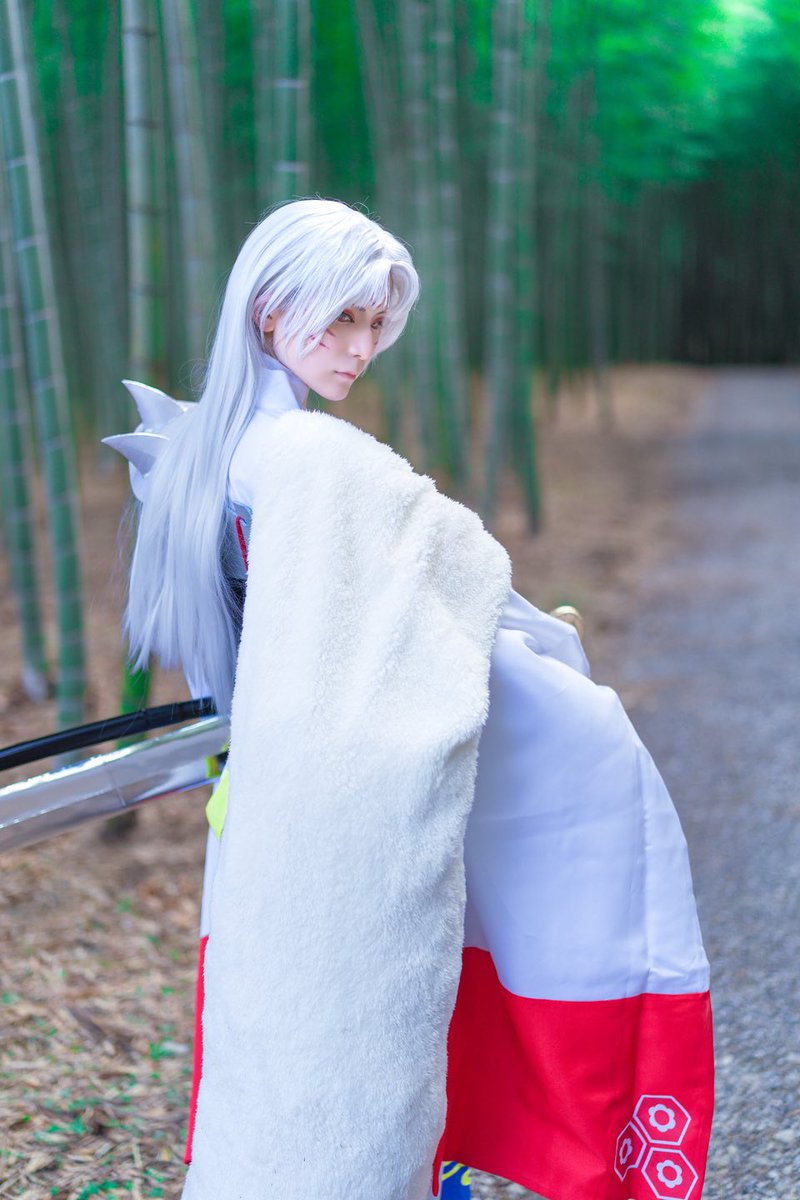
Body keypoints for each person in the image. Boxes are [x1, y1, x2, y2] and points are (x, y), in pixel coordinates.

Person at [108, 198, 713, 1200]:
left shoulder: (212, 448)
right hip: (350, 786)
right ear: (269, 311)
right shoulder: (313, 457)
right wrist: (560, 669)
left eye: (374, 324)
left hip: (276, 777)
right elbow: (453, 585)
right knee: (401, 984)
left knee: (300, 1018)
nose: (360, 349)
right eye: (341, 319)